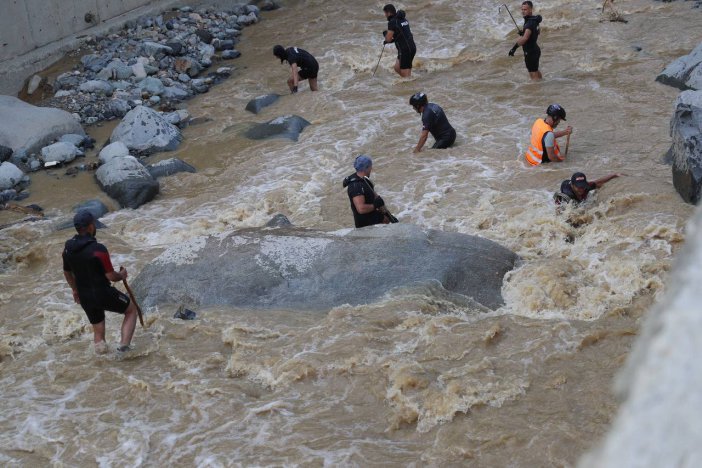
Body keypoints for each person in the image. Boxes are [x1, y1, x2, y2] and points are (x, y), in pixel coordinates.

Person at [62, 210, 138, 353]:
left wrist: (75, 290)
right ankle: (123, 349)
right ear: (90, 226)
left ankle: (101, 361)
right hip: (102, 293)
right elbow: (111, 276)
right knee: (131, 310)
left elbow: (67, 272)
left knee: (98, 331)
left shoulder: (68, 249)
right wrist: (122, 275)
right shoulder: (98, 249)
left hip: (85, 297)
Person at [342, 155, 395, 228]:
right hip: (367, 227)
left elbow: (375, 198)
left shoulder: (365, 180)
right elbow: (361, 209)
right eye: (370, 166)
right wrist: (375, 205)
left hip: (374, 221)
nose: (371, 168)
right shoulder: (356, 186)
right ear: (366, 168)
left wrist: (386, 213)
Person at [508, 1, 543, 80]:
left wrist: (514, 48)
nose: (523, 11)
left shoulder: (529, 23)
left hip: (530, 52)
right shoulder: (535, 20)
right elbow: (538, 32)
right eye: (522, 9)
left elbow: (525, 38)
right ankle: (541, 84)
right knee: (535, 70)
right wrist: (524, 32)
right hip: (535, 50)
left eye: (525, 10)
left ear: (530, 10)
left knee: (532, 73)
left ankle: (536, 90)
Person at [383, 4, 416, 77]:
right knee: (397, 68)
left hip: (405, 49)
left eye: (385, 13)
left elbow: (388, 39)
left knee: (406, 75)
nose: (385, 15)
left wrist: (385, 34)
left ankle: (409, 86)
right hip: (411, 47)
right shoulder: (403, 19)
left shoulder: (392, 22)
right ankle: (409, 82)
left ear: (388, 13)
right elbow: (401, 34)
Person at [554, 172, 622, 205]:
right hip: (568, 198)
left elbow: (600, 182)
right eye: (579, 187)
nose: (581, 189)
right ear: (572, 185)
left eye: (583, 186)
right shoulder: (567, 194)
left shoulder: (586, 187)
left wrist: (614, 175)